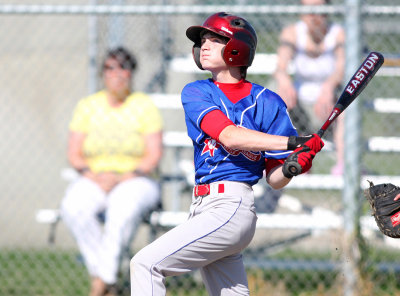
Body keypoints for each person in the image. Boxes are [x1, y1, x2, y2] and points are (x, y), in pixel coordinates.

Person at [130, 12, 324, 295]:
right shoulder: (197, 92)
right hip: (203, 207)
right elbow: (229, 135)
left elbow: (275, 178)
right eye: (203, 40)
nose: (204, 45)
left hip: (231, 205)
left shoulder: (267, 102)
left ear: (238, 47)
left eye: (215, 38)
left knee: (146, 264)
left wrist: (293, 166)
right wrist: (293, 143)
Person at [60, 47, 163, 296]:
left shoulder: (144, 106)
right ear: (103, 73)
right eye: (110, 67)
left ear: (132, 73)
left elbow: (153, 155)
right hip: (94, 176)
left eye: (124, 67)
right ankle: (108, 280)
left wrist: (121, 178)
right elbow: (74, 153)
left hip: (135, 178)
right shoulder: (88, 106)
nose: (117, 74)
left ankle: (99, 286)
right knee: (73, 207)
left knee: (120, 210)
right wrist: (94, 176)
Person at [274, 0, 345, 175]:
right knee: (277, 93)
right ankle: (284, 159)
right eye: (308, 10)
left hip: (328, 104)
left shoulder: (338, 34)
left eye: (317, 10)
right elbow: (280, 68)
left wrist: (328, 88)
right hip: (299, 104)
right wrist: (285, 82)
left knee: (347, 106)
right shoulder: (292, 32)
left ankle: (344, 164)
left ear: (327, 11)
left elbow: (341, 69)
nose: (313, 16)